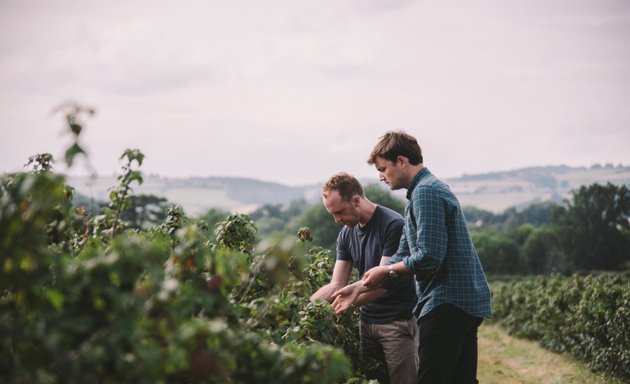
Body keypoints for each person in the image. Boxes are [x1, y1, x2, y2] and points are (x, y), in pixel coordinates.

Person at [332, 131, 492, 384]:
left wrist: (386, 271)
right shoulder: (421, 193)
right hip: (462, 300)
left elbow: (429, 256)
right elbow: (404, 252)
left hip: (445, 301)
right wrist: (358, 286)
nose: (381, 177)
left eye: (384, 169)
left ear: (402, 161)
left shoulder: (425, 193)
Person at [310, 172, 419, 384]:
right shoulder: (346, 234)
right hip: (367, 322)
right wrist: (306, 308)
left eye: (339, 212)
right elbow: (336, 284)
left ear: (356, 200)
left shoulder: (393, 226)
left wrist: (343, 303)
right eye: (332, 214)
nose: (337, 220)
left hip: (397, 322)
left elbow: (383, 280)